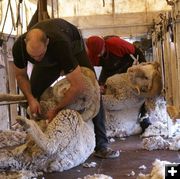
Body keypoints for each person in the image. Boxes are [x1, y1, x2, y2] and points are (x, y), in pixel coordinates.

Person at [12, 18, 119, 159]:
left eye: (40, 55)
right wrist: (31, 99)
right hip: (50, 58)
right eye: (33, 56)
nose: (37, 60)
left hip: (73, 46)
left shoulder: (60, 45)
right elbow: (20, 76)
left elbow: (78, 86)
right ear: (26, 43)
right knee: (33, 96)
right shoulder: (19, 47)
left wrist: (56, 109)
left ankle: (102, 145)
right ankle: (35, 142)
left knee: (94, 93)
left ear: (48, 43)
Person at [86, 35, 151, 133]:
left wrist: (143, 69)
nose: (99, 55)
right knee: (100, 92)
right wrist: (98, 85)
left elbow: (136, 51)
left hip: (128, 66)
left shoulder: (115, 43)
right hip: (109, 69)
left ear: (104, 44)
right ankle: (106, 120)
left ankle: (144, 117)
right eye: (97, 54)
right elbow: (90, 72)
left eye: (101, 51)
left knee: (141, 91)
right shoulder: (93, 56)